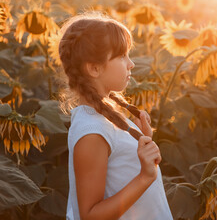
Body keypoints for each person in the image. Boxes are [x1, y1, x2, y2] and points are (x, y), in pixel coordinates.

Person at [58, 12, 173, 220]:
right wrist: (145, 177)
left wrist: (142, 137)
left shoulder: (102, 118)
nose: (131, 64)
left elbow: (119, 168)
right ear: (94, 68)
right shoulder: (92, 133)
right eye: (122, 56)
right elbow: (90, 215)